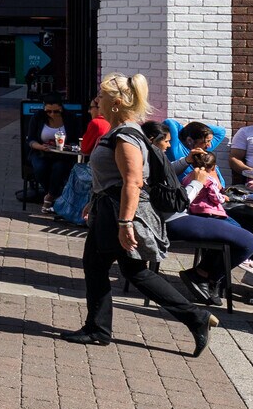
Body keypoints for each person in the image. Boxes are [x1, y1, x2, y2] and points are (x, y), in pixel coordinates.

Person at [59, 73, 213, 355]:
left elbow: (132, 182)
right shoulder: (125, 131)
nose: (97, 102)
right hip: (109, 207)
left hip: (118, 212)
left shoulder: (125, 136)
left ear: (116, 103)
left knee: (122, 269)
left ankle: (192, 317)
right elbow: (115, 178)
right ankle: (99, 328)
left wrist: (125, 222)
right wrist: (94, 200)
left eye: (102, 97)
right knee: (118, 268)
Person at [165, 139, 253, 304]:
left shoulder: (183, 174)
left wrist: (187, 161)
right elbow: (183, 202)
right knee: (246, 239)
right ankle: (208, 277)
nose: (169, 145)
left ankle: (207, 276)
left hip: (191, 212)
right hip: (180, 216)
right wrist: (201, 184)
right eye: (166, 140)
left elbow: (168, 171)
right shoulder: (202, 179)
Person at [25, 102, 75, 209]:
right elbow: (30, 140)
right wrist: (40, 146)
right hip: (41, 152)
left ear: (61, 109)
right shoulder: (38, 117)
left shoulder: (70, 118)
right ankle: (55, 194)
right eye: (48, 111)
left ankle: (51, 196)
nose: (52, 114)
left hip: (62, 154)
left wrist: (69, 146)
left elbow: (75, 138)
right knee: (40, 168)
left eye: (56, 111)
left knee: (59, 167)